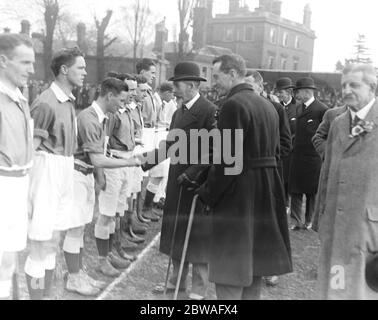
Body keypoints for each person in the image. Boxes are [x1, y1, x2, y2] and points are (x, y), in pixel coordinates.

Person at [197, 54, 292, 300]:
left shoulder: (233, 105)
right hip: (265, 192)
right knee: (253, 269)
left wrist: (208, 193)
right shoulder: (268, 106)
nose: (214, 81)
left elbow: (228, 161)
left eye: (217, 76)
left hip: (238, 195)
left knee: (229, 270)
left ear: (232, 74)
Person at [144, 62, 217, 300]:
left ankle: (198, 290)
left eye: (178, 84)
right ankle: (175, 285)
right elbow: (170, 145)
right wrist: (145, 161)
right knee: (177, 233)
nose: (174, 89)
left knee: (198, 238)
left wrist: (194, 173)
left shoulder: (210, 111)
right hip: (177, 181)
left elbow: (215, 149)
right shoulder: (178, 111)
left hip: (197, 184)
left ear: (193, 85)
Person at [26, 47, 86, 299]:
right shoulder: (45, 102)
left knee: (52, 241)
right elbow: (31, 149)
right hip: (46, 168)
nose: (85, 73)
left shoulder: (69, 101)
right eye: (80, 68)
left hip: (64, 168)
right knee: (39, 244)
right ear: (64, 70)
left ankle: (47, 294)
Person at [315, 64, 378, 299]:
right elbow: (328, 172)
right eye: (343, 85)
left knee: (363, 291)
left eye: (354, 85)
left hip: (369, 231)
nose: (347, 90)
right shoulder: (338, 123)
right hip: (335, 227)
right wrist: (321, 216)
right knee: (336, 287)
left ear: (372, 87)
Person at [73, 78, 141, 282]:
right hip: (78, 173)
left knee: (90, 224)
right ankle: (85, 269)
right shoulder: (89, 117)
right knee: (78, 228)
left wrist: (100, 173)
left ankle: (96, 262)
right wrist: (130, 163)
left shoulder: (101, 116)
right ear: (109, 96)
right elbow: (98, 157)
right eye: (120, 99)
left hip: (87, 171)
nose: (123, 103)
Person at [245, 70, 292, 287]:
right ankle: (249, 266)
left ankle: (271, 269)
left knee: (269, 225)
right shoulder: (239, 106)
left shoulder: (275, 109)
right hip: (245, 177)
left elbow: (285, 143)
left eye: (251, 88)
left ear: (261, 88)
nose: (248, 92)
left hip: (269, 175)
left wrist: (267, 158)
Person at [0, 34, 35, 300]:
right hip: (3, 184)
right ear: (3, 61)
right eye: (24, 62)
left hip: (18, 184)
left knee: (10, 258)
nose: (31, 70)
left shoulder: (20, 98)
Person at [288, 78, 328, 231]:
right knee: (295, 189)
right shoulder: (299, 108)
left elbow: (325, 134)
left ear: (306, 91)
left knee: (312, 192)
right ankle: (296, 221)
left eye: (298, 91)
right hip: (297, 156)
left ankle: (309, 220)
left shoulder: (322, 109)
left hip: (313, 158)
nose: (296, 94)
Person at [143, 82, 177, 216]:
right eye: (172, 93)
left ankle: (152, 203)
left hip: (163, 134)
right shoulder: (155, 101)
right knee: (158, 173)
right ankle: (147, 206)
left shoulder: (160, 101)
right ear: (166, 92)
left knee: (162, 173)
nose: (173, 96)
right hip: (158, 134)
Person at [274, 77, 300, 205]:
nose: (278, 95)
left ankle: (286, 205)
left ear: (289, 92)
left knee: (287, 181)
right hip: (276, 150)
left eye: (281, 92)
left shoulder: (298, 108)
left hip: (291, 153)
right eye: (277, 92)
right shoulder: (273, 107)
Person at [136, 58, 157, 128]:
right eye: (152, 73)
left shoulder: (149, 91)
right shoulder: (136, 90)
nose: (154, 76)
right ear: (142, 72)